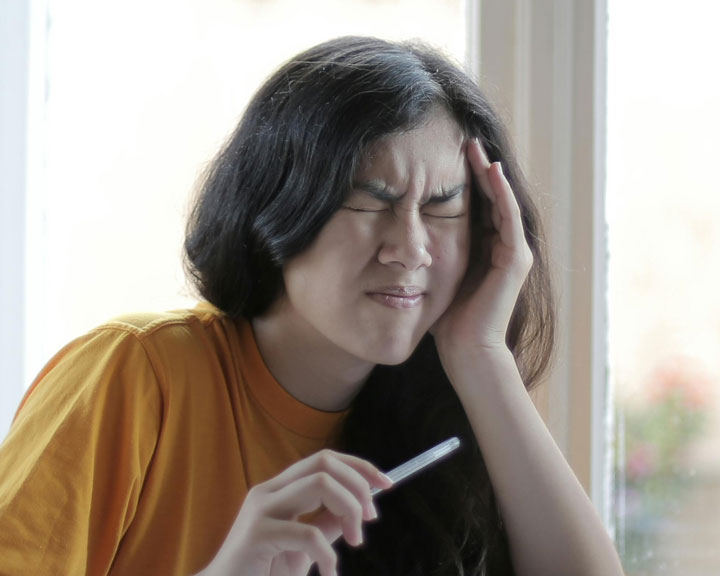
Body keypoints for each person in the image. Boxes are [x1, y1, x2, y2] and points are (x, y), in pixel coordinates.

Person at [0, 36, 624, 576]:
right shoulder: (135, 373)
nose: (410, 248)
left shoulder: (436, 416)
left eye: (442, 206)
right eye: (370, 199)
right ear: (280, 204)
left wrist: (481, 354)